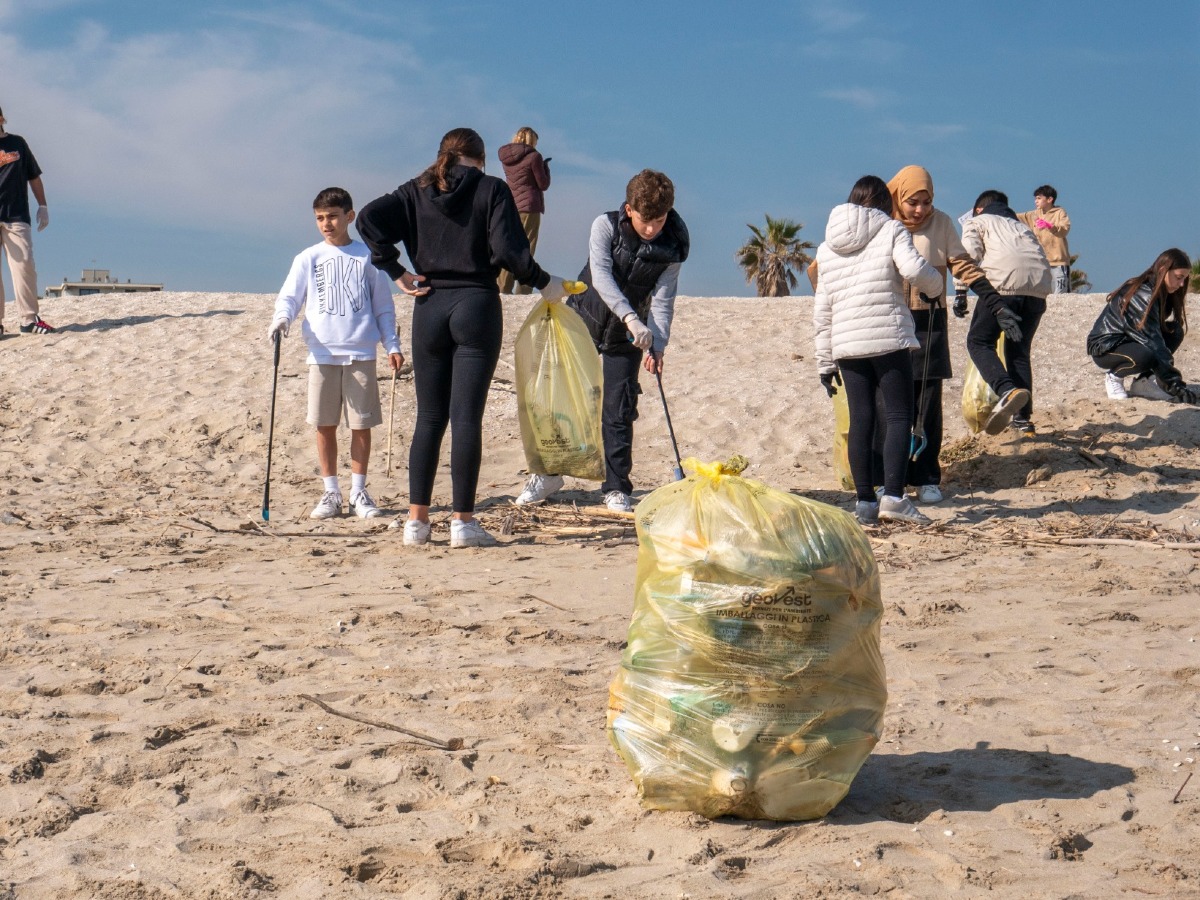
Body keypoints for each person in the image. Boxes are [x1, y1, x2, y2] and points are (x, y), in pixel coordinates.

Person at [356, 127, 574, 549]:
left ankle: (416, 524)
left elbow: (366, 219)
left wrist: (396, 269)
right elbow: (511, 253)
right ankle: (462, 523)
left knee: (429, 418)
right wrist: (544, 282)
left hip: (429, 304)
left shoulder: (416, 189)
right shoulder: (491, 189)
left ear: (442, 155)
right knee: (466, 418)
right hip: (476, 303)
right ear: (480, 160)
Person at [514, 169, 689, 513]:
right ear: (629, 210)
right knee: (559, 400)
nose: (652, 229)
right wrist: (631, 318)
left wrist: (658, 344)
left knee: (619, 408)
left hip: (627, 336)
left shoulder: (674, 245)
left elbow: (665, 300)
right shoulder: (604, 226)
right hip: (585, 319)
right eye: (644, 221)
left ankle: (616, 487)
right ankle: (549, 474)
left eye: (659, 220)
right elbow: (602, 277)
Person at [812, 175, 943, 527]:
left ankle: (865, 502)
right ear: (886, 205)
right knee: (899, 416)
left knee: (862, 420)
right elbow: (915, 269)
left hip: (846, 345)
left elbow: (822, 310)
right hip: (887, 337)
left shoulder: (826, 248)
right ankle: (896, 498)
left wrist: (825, 362)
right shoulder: (892, 230)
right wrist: (936, 285)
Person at [871, 166, 1004, 503]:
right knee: (889, 404)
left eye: (926, 202)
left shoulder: (942, 223)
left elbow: (960, 262)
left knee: (927, 403)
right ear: (899, 197)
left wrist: (989, 295)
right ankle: (889, 480)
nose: (920, 210)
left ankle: (928, 477)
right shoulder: (881, 222)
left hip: (930, 320)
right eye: (913, 202)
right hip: (889, 319)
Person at [269, 188, 403, 521]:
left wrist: (393, 345)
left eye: (332, 216)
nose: (326, 224)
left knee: (361, 424)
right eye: (319, 218)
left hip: (361, 351)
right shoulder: (307, 258)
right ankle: (331, 492)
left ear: (349, 216)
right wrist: (281, 321)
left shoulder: (367, 256)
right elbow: (290, 297)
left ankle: (358, 490)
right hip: (321, 353)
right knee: (324, 424)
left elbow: (384, 308)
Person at [961, 189, 1052, 436]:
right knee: (1019, 351)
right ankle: (1023, 420)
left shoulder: (977, 221)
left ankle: (1006, 390)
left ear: (978, 209)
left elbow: (968, 255)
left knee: (978, 342)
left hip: (1002, 286)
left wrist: (960, 291)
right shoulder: (1022, 227)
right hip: (1038, 290)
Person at [1087, 248, 1198, 404]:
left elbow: (1155, 337)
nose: (1181, 284)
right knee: (1148, 354)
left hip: (1132, 340)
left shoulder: (1163, 291)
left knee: (1174, 331)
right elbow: (1154, 342)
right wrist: (1176, 386)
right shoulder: (1143, 294)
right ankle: (1114, 377)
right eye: (1179, 277)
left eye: (1184, 279)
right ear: (1162, 270)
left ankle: (1142, 383)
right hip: (1106, 347)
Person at [0, 105, 53, 335]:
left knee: (24, 267)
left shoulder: (18, 143)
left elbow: (34, 176)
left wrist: (43, 205)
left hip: (16, 216)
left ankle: (29, 320)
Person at [496, 127, 551, 295]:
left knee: (510, 246)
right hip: (529, 206)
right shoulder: (534, 157)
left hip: (510, 204)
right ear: (532, 141)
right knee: (527, 248)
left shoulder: (506, 159)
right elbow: (543, 184)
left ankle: (502, 287)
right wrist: (545, 168)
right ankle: (524, 288)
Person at [1017, 185, 1071, 294]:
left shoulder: (1060, 212)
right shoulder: (1034, 214)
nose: (1035, 201)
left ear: (1050, 199)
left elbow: (1064, 229)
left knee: (1060, 294)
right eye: (1035, 198)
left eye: (1039, 198)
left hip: (1059, 262)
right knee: (1043, 294)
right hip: (1041, 262)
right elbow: (1015, 216)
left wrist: (1050, 226)